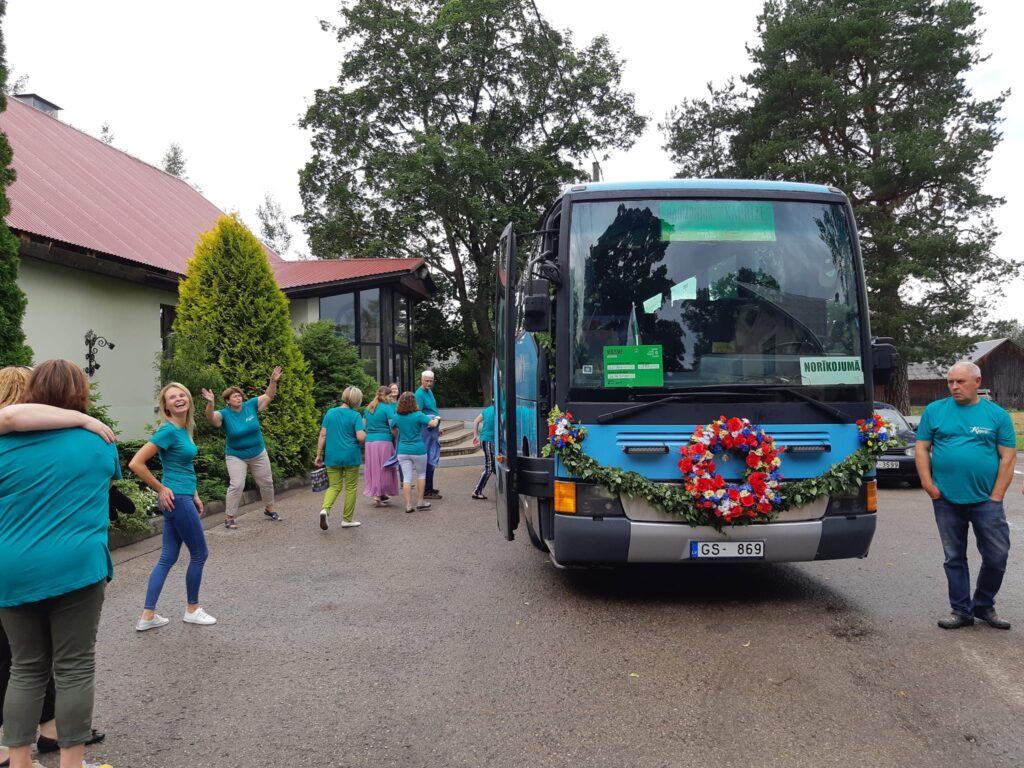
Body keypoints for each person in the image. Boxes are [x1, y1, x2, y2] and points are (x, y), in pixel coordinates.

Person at [0, 360, 119, 768]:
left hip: (11, 569)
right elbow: (104, 489)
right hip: (77, 567)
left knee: (25, 667)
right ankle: (71, 763)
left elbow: (11, 417)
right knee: (73, 667)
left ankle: (19, 761)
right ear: (80, 395)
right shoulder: (100, 441)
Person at [915, 362, 1016, 630]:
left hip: (986, 501)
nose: (954, 387)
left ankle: (983, 605)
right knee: (954, 557)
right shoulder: (935, 411)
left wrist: (997, 495)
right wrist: (928, 483)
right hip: (946, 499)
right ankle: (961, 611)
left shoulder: (997, 415)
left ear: (977, 382)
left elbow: (1008, 457)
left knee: (997, 555)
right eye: (951, 382)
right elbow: (922, 448)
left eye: (960, 381)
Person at [131, 383, 216, 631]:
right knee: (200, 554)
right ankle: (192, 609)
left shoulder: (183, 430)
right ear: (166, 406)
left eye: (182, 395)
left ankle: (148, 616)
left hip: (182, 496)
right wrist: (161, 488)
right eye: (172, 397)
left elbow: (183, 467)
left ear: (188, 400)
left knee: (168, 556)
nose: (178, 399)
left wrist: (196, 494)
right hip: (176, 498)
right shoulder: (168, 431)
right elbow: (136, 463)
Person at [201, 366, 283, 529]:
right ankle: (229, 517)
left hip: (258, 452)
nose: (238, 398)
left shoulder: (251, 405)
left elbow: (268, 396)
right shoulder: (224, 414)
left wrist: (273, 381)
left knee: (266, 482)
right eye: (234, 397)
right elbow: (211, 418)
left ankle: (269, 508)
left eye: (239, 396)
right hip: (236, 455)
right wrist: (210, 403)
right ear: (227, 401)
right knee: (237, 484)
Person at [315, 386, 366, 531]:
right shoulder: (355, 416)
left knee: (334, 486)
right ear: (357, 400)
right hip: (351, 456)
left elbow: (323, 434)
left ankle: (325, 510)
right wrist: (366, 433)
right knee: (350, 488)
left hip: (332, 456)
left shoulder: (330, 413)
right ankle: (347, 520)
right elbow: (360, 437)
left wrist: (319, 454)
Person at [392, 391, 441, 514]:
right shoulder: (418, 415)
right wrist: (437, 418)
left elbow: (393, 429)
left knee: (407, 479)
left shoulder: (397, 416)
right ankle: (420, 502)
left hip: (403, 450)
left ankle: (408, 505)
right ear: (414, 402)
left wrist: (398, 435)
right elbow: (432, 424)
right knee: (421, 475)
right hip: (418, 450)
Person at [362, 386, 399, 506]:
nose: (391, 398)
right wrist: (395, 436)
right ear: (385, 396)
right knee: (385, 468)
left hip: (370, 442)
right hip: (384, 441)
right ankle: (378, 495)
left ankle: (379, 493)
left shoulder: (368, 409)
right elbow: (392, 427)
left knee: (374, 468)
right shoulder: (387, 408)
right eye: (389, 396)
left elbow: (364, 426)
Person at [415, 370, 442, 499]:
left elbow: (433, 409)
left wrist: (438, 428)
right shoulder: (419, 394)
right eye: (427, 381)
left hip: (433, 427)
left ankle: (429, 487)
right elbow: (418, 414)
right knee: (429, 458)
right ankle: (426, 490)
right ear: (421, 380)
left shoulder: (429, 391)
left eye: (431, 381)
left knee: (432, 457)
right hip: (427, 429)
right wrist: (432, 424)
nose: (429, 383)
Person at [471, 403, 496, 500]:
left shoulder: (487, 410)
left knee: (492, 466)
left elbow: (476, 421)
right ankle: (477, 491)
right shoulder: (501, 411)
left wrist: (475, 435)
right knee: (489, 467)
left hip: (484, 439)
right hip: (489, 441)